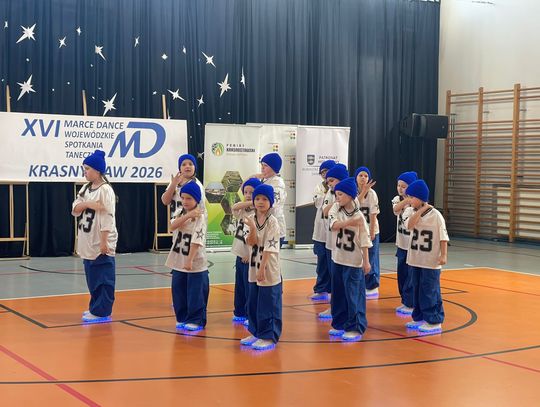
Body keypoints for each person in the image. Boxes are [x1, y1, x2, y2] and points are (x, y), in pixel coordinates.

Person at [71, 150, 118, 324]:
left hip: (100, 241)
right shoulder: (85, 188)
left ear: (98, 170)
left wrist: (104, 241)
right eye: (84, 169)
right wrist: (88, 204)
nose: (85, 172)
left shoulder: (105, 190)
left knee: (103, 279)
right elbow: (75, 209)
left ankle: (102, 311)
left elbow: (108, 217)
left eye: (88, 169)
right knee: (92, 278)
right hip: (87, 240)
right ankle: (95, 307)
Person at [327, 177, 372, 341]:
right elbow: (333, 225)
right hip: (338, 258)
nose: (337, 197)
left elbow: (365, 240)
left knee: (353, 295)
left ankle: (356, 327)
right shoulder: (336, 209)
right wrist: (351, 222)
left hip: (353, 262)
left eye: (340, 194)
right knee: (338, 294)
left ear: (350, 195)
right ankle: (339, 323)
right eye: (336, 194)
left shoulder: (360, 216)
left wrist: (366, 261)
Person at [402, 179, 449, 334]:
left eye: (412, 197)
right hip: (415, 259)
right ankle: (419, 317)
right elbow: (409, 225)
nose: (409, 200)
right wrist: (421, 210)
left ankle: (434, 321)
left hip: (430, 261)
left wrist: (443, 255)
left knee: (430, 291)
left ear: (421, 197)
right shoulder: (409, 211)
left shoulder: (436, 215)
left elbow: (443, 237)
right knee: (416, 289)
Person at [240, 184, 283, 351]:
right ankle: (256, 332)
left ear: (270, 202)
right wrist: (251, 227)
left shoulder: (273, 222)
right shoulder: (249, 218)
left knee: (268, 303)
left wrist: (262, 268)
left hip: (267, 268)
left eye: (264, 199)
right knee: (253, 302)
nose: (260, 202)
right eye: (257, 198)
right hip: (253, 267)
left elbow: (270, 248)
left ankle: (268, 336)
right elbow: (250, 242)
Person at [165, 181, 209, 331]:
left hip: (194, 261)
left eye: (189, 198)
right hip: (178, 259)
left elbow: (197, 241)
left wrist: (189, 260)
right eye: (183, 198)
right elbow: (172, 226)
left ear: (197, 199)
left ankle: (196, 320)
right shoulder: (179, 212)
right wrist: (187, 215)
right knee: (178, 291)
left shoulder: (200, 216)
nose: (185, 201)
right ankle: (182, 317)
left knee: (195, 292)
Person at [318, 163, 349, 319]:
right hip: (331, 242)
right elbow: (325, 211)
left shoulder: (349, 197)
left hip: (345, 246)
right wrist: (337, 202)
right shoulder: (331, 194)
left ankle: (345, 310)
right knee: (334, 279)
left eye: (332, 180)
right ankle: (335, 307)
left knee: (345, 281)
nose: (329, 183)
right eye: (328, 180)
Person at [231, 178, 262, 323]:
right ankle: (240, 311)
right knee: (240, 286)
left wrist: (250, 254)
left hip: (250, 256)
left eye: (252, 192)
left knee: (250, 286)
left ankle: (251, 315)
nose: (248, 195)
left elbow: (258, 237)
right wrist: (251, 201)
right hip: (240, 253)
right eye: (246, 192)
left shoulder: (259, 212)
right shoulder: (243, 209)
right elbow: (234, 206)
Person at [392, 171, 418, 315]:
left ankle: (410, 303)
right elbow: (396, 210)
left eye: (404, 186)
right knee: (401, 274)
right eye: (398, 185)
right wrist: (407, 200)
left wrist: (410, 200)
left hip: (412, 246)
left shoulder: (416, 202)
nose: (400, 189)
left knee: (410, 276)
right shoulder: (397, 199)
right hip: (401, 244)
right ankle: (404, 300)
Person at [310, 160, 336, 301]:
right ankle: (321, 289)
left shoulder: (338, 188)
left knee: (333, 263)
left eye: (327, 171)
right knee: (321, 263)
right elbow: (318, 202)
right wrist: (328, 192)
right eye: (323, 172)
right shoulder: (319, 187)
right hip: (320, 231)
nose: (325, 174)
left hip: (333, 232)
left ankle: (334, 291)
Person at [355, 166, 380, 299]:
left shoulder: (372, 194)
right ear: (356, 178)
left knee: (371, 257)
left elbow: (373, 214)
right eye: (361, 175)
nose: (363, 178)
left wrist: (371, 232)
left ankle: (372, 286)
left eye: (365, 176)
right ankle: (362, 284)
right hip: (358, 231)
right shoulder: (353, 192)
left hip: (371, 229)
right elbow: (354, 206)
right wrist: (363, 191)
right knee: (359, 258)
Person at [255, 153, 287, 246]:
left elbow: (273, 203)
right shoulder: (265, 181)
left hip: (274, 229)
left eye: (265, 166)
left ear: (274, 168)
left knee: (269, 255)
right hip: (263, 227)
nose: (262, 168)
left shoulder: (277, 183)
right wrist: (253, 176)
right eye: (262, 165)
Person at [161, 154, 206, 219]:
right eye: (184, 164)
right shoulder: (175, 181)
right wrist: (173, 185)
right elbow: (165, 201)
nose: (187, 166)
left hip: (190, 222)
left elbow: (201, 209)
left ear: (195, 168)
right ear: (180, 168)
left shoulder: (197, 185)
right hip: (175, 222)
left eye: (190, 164)